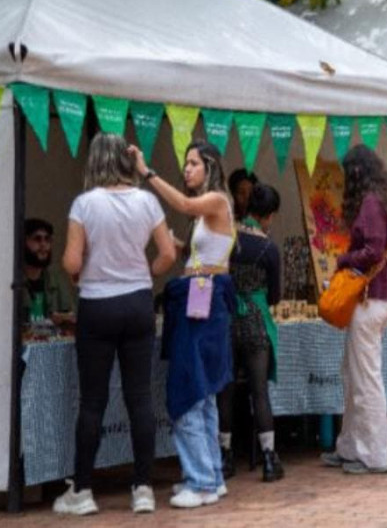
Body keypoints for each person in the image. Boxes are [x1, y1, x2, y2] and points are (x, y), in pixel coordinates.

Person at [53, 133, 176, 516]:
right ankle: (142, 488)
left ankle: (83, 491)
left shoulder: (84, 204)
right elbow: (169, 254)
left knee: (92, 401)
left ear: (94, 162)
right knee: (139, 398)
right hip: (138, 303)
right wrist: (144, 273)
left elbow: (71, 263)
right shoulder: (147, 201)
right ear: (126, 161)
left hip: (97, 305)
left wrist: (82, 274)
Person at [133, 140, 235, 508]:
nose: (187, 169)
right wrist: (171, 241)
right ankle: (212, 475)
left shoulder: (217, 201)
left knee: (190, 387)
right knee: (203, 392)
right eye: (186, 164)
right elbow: (198, 251)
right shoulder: (206, 212)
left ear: (209, 166)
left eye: (193, 163)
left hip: (205, 298)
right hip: (200, 295)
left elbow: (185, 203)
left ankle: (202, 480)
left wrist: (147, 174)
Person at [320, 145, 387, 475]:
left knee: (366, 380)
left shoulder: (370, 202)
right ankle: (349, 447)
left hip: (370, 299)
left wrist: (343, 260)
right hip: (383, 300)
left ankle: (374, 455)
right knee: (354, 374)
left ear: (356, 171)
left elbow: (371, 250)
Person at [216, 183, 284, 483]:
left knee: (226, 391)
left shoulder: (229, 239)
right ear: (269, 215)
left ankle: (225, 456)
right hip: (256, 321)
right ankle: (269, 459)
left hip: (228, 318)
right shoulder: (269, 248)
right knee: (259, 392)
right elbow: (275, 296)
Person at [22, 218, 75, 327]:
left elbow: (72, 315)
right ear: (24, 242)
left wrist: (63, 318)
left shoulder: (56, 280)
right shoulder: (15, 280)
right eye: (37, 239)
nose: (43, 245)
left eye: (47, 240)